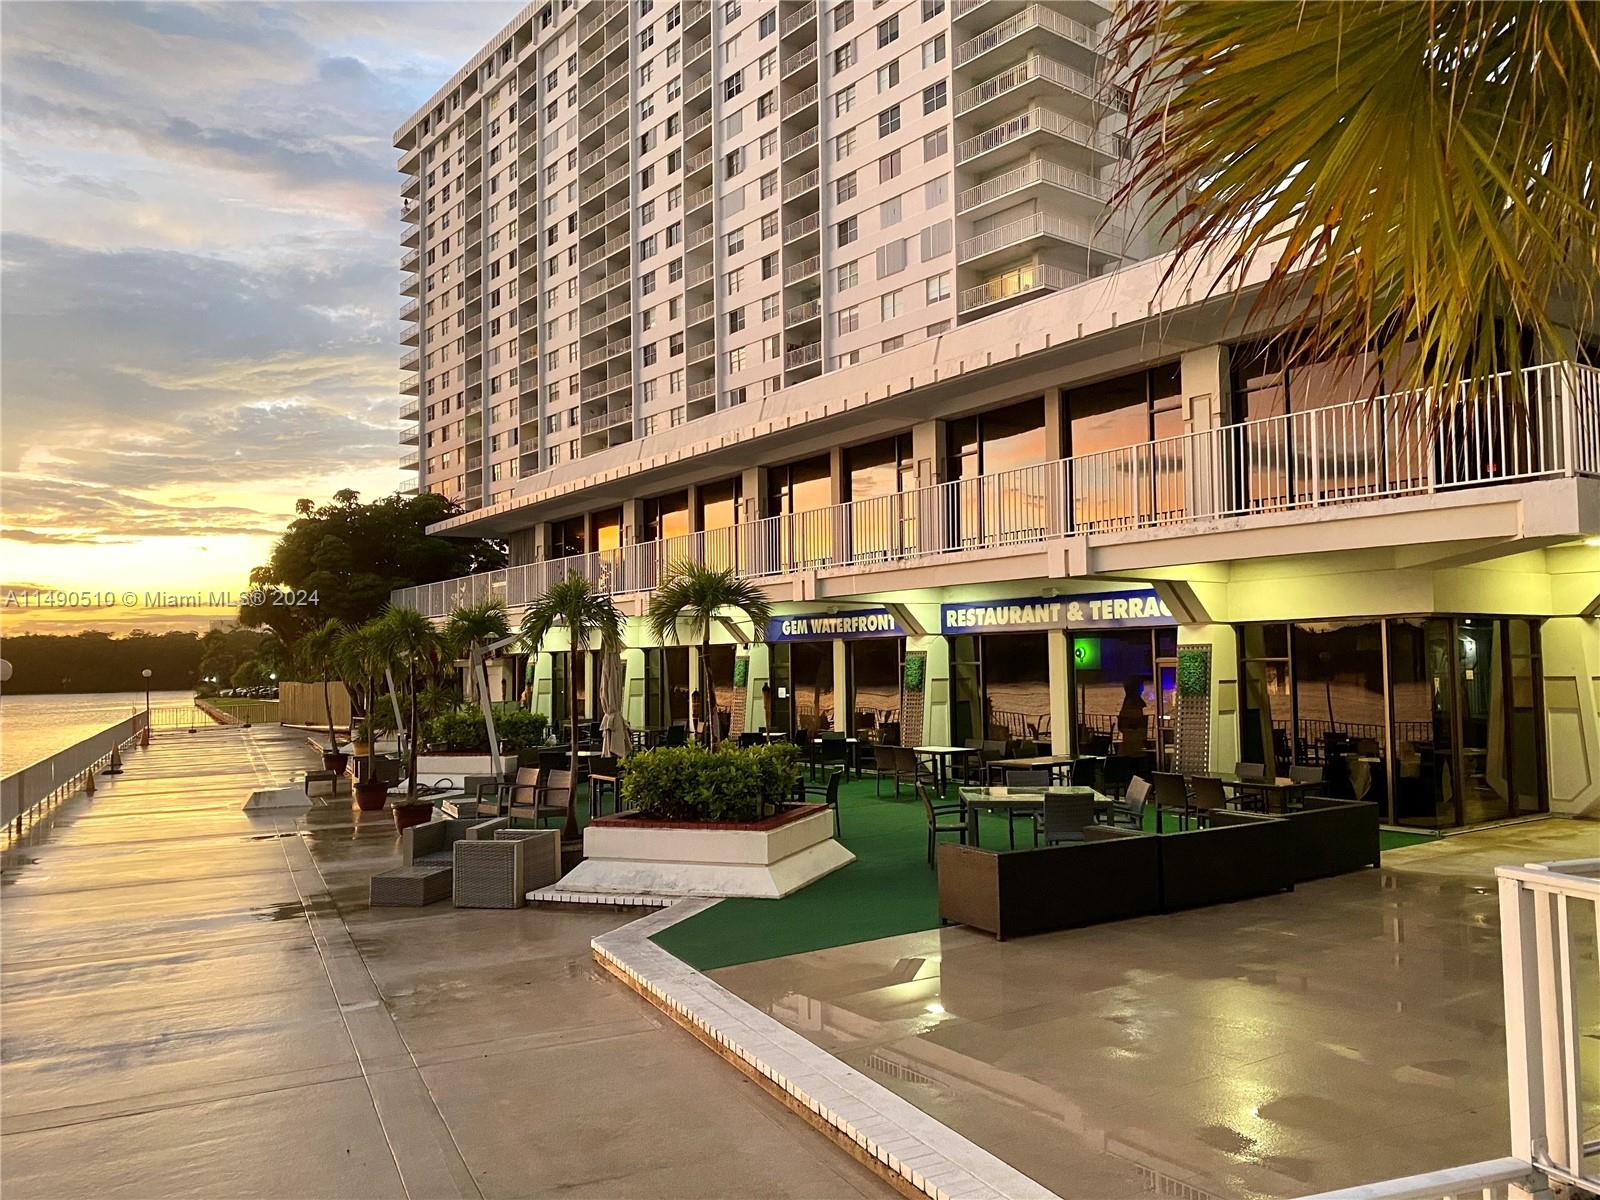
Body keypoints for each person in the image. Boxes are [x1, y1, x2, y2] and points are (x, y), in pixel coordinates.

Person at [1117, 677, 1148, 757]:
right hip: (1134, 741)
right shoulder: (1133, 702)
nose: (1143, 689)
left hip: (1134, 740)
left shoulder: (1130, 702)